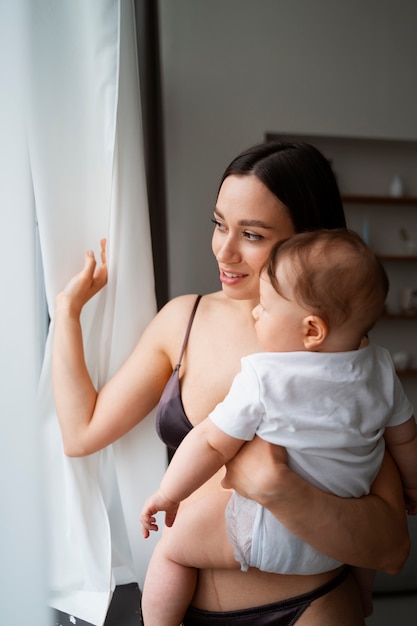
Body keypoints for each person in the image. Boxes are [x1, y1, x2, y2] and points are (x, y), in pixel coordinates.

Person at [53, 141, 410, 626]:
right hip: (188, 608)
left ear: (306, 240)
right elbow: (81, 432)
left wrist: (282, 488)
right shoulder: (184, 319)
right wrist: (67, 316)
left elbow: (391, 544)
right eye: (220, 224)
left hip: (315, 607)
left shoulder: (340, 356)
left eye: (253, 234)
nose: (226, 250)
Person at [140, 228, 417, 626]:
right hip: (335, 551)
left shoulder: (264, 375)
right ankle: (364, 596)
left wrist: (168, 494)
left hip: (264, 533)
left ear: (311, 330)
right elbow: (405, 436)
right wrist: (412, 485)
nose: (256, 311)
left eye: (266, 307)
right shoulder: (380, 369)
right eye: (219, 224)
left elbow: (211, 443)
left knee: (171, 549)